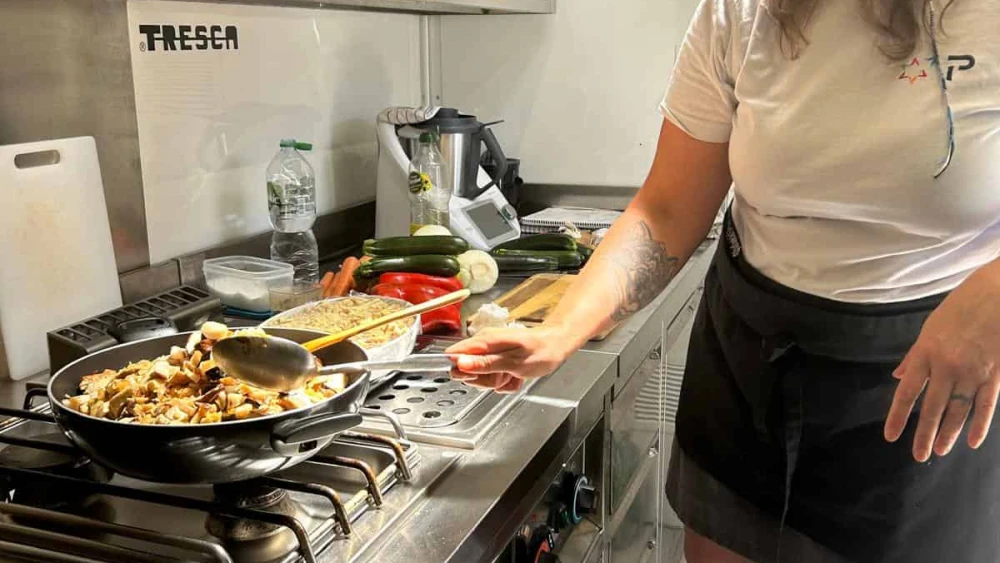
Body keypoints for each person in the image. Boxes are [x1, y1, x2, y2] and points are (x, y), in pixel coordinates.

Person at [446, 0, 1000, 561]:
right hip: (749, 366)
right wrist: (561, 329)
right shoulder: (740, 11)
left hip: (937, 385)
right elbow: (667, 208)